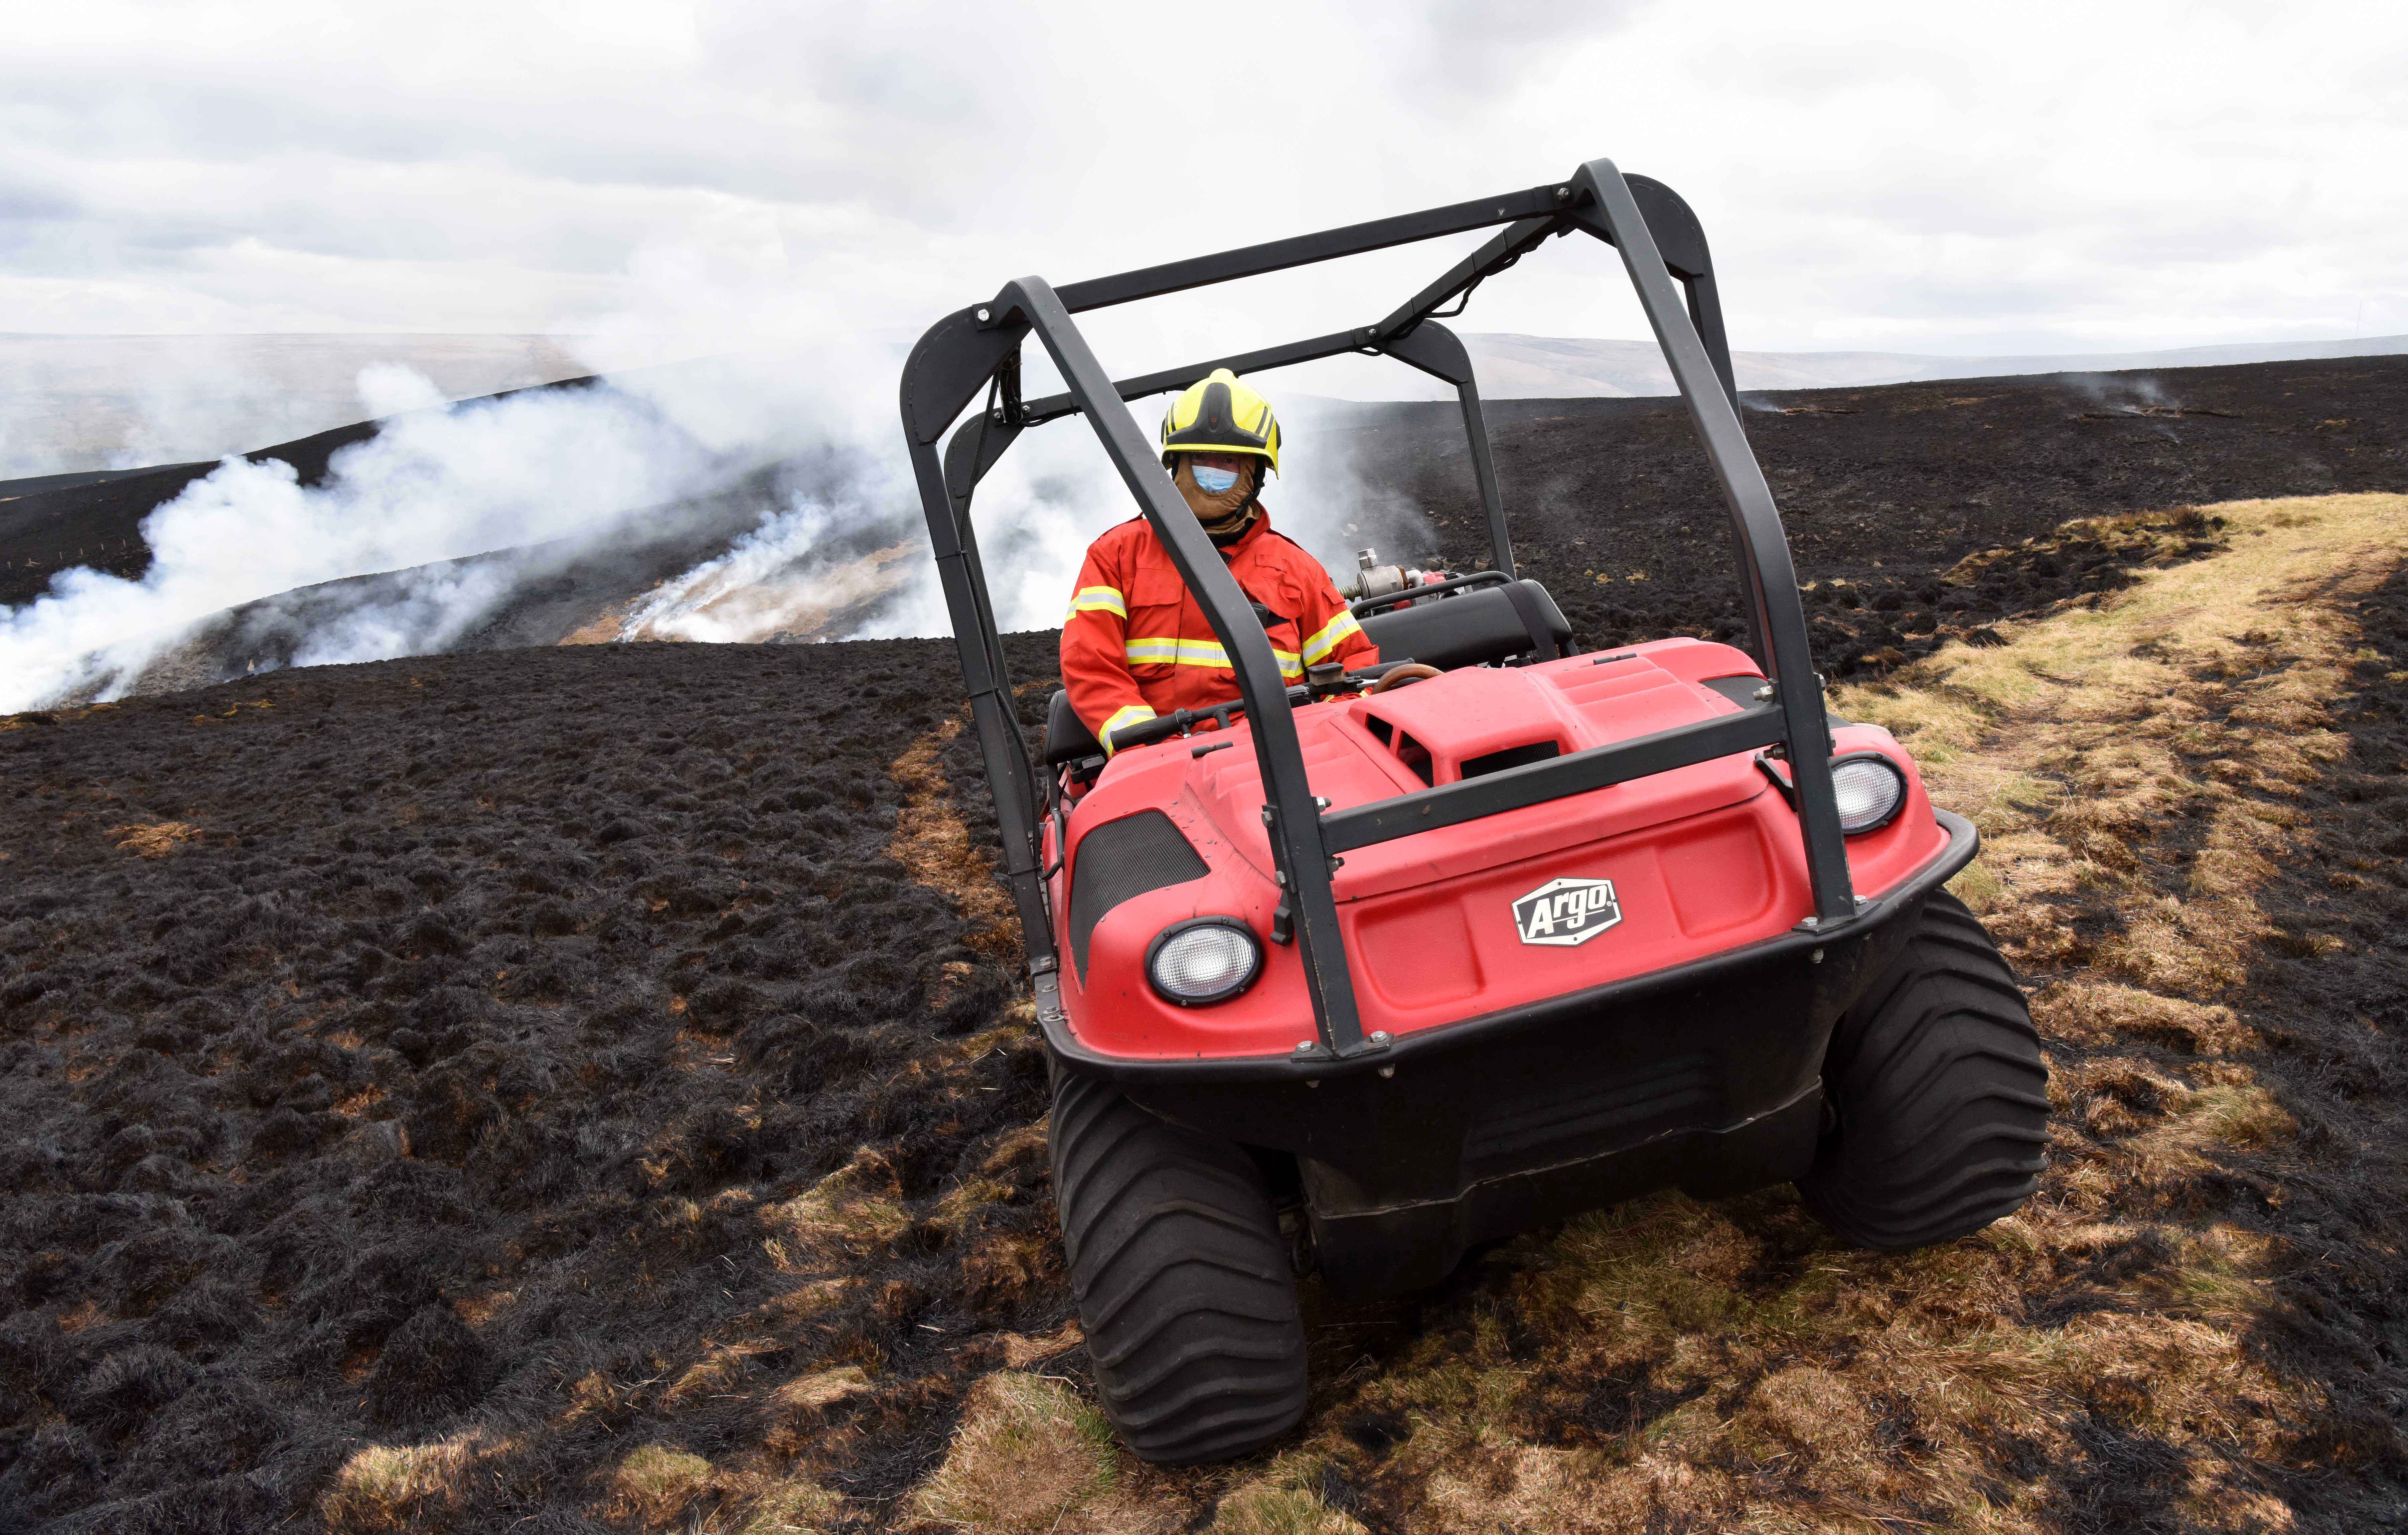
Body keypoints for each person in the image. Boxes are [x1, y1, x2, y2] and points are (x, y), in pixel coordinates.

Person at [1061, 368, 1378, 754]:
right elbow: (1091, 669)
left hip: (1279, 767)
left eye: (1228, 460)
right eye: (1199, 457)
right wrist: (1155, 751)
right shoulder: (1116, 556)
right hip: (1153, 772)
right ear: (1175, 463)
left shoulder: (1297, 570)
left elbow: (1353, 671)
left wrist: (1314, 743)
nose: (1213, 471)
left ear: (1256, 473)